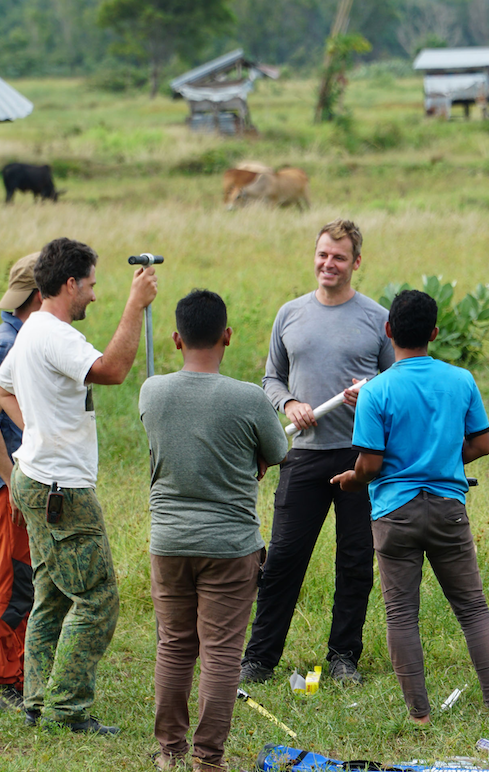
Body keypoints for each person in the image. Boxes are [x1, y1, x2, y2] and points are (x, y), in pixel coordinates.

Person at [0, 237, 158, 734]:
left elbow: (2, 388)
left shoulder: (31, 330)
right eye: (90, 285)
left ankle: (38, 698)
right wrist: (136, 304)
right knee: (98, 598)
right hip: (62, 489)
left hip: (32, 477)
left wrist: (39, 434)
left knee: (53, 594)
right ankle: (66, 710)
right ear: (70, 284)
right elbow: (113, 370)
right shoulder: (57, 334)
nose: (93, 295)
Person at [331, 289, 489, 724]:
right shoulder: (461, 380)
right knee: (472, 609)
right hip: (449, 507)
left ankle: (420, 715)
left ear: (388, 330)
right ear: (434, 332)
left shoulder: (376, 390)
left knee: (401, 615)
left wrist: (352, 480)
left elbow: (371, 464)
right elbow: (483, 444)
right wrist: (447, 459)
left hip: (395, 513)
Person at [139, 290, 289, 771]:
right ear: (227, 336)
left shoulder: (152, 391)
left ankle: (169, 751)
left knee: (175, 645)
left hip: (169, 541)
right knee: (222, 653)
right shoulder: (248, 397)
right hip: (230, 545)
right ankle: (208, 759)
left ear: (177, 339)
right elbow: (279, 451)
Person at [240, 219, 394, 686]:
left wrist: (368, 394)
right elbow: (271, 379)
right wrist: (289, 403)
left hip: (358, 457)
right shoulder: (290, 314)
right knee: (285, 557)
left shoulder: (375, 318)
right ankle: (260, 659)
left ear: (356, 263)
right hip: (302, 455)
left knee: (354, 559)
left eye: (340, 257)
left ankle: (344, 656)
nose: (329, 264)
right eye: (323, 254)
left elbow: (395, 382)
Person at [0, 252, 42, 711]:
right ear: (39, 296)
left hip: (29, 481)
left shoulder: (26, 337)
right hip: (11, 484)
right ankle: (1, 681)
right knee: (13, 580)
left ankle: (21, 670)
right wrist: (12, 481)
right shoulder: (5, 344)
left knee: (28, 579)